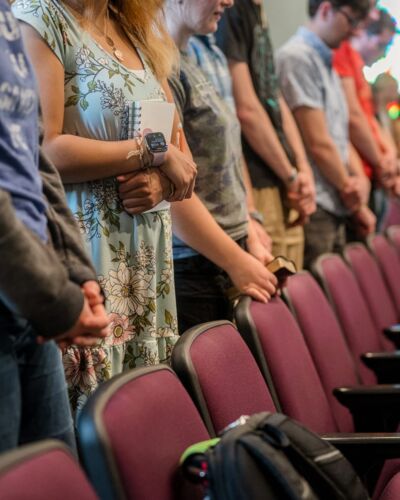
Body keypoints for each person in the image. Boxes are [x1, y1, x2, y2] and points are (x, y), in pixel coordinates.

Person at [13, 0, 197, 411]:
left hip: (148, 273)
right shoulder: (41, 17)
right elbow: (45, 148)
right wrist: (150, 153)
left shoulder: (133, 24)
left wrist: (159, 183)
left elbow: (180, 155)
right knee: (95, 426)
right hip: (90, 260)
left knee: (143, 425)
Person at [0, 0, 108, 453]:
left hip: (31, 306)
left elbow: (33, 158)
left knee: (55, 474)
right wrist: (56, 299)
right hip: (21, 292)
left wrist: (76, 272)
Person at [164, 0, 278, 333]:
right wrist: (235, 259)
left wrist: (248, 228)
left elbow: (225, 158)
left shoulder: (191, 57)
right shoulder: (161, 68)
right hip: (194, 263)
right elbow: (172, 189)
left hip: (224, 256)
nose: (229, 1)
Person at [216, 0, 316, 270]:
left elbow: (274, 95)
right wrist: (291, 175)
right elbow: (246, 109)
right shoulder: (231, 9)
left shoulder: (257, 9)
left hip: (284, 177)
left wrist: (301, 169)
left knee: (295, 286)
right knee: (274, 283)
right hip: (259, 178)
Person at [276, 0, 376, 269]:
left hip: (337, 200)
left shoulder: (326, 60)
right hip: (318, 203)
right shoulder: (297, 56)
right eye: (351, 20)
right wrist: (351, 190)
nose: (355, 31)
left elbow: (340, 136)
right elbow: (318, 143)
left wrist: (358, 181)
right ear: (325, 9)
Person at [333, 7, 398, 230]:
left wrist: (389, 155)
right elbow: (353, 118)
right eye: (380, 45)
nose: (381, 54)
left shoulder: (359, 65)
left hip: (371, 173)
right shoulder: (341, 53)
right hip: (354, 176)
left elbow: (371, 119)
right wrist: (383, 163)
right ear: (362, 32)